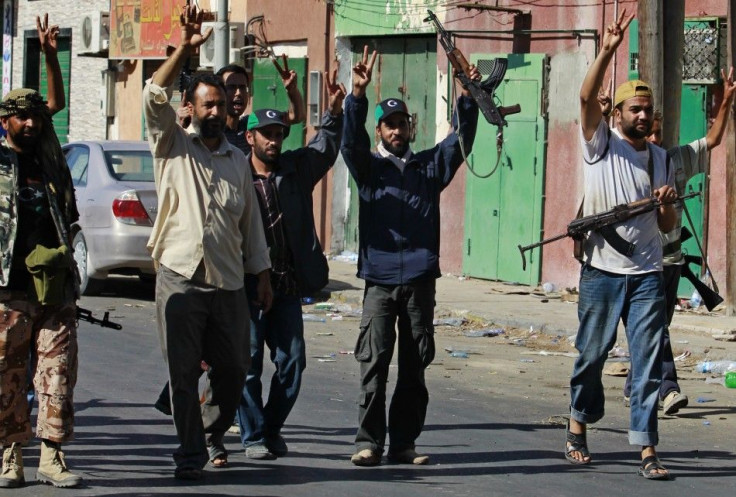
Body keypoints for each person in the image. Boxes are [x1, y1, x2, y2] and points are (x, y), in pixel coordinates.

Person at [143, 4, 272, 480]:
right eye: (208, 104)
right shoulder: (172, 144)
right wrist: (183, 48)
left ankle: (207, 430)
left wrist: (261, 273)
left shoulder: (238, 160)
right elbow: (152, 96)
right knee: (182, 374)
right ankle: (191, 452)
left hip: (229, 280)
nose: (218, 111)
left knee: (236, 369)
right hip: (179, 276)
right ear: (192, 108)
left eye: (222, 104)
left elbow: (250, 225)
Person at [341, 46, 480, 467]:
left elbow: (461, 141)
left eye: (402, 124)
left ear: (410, 128)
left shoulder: (427, 167)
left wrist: (468, 95)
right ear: (380, 130)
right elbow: (349, 142)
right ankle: (368, 441)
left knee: (414, 366)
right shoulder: (368, 170)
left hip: (420, 279)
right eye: (389, 125)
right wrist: (357, 98)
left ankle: (403, 443)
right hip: (380, 281)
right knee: (374, 363)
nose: (396, 131)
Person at [567, 10, 677, 480]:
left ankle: (646, 448)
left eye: (647, 109)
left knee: (647, 362)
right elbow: (585, 95)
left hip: (648, 272)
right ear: (617, 116)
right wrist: (609, 48)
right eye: (634, 109)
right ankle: (578, 426)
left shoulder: (660, 159)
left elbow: (668, 224)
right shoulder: (600, 145)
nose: (642, 115)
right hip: (601, 271)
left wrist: (666, 202)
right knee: (592, 355)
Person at [235, 67, 346, 460]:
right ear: (250, 137)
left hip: (287, 287)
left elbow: (327, 145)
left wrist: (336, 111)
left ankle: (268, 426)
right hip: (246, 287)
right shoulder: (235, 175)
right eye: (266, 134)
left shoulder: (295, 169)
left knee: (293, 362)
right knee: (246, 365)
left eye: (279, 134)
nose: (274, 140)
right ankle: (252, 436)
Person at [619, 67, 736, 415]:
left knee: (658, 326)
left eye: (657, 133)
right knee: (654, 325)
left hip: (672, 261)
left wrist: (727, 100)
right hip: (640, 262)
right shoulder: (624, 160)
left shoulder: (676, 158)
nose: (652, 139)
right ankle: (668, 388)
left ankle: (633, 385)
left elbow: (712, 141)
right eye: (647, 133)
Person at [0, 14, 84, 489]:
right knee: (8, 373)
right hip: (8, 286)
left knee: (57, 372)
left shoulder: (49, 154)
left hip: (54, 283)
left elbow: (56, 102)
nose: (31, 122)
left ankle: (51, 456)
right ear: (5, 120)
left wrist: (52, 56)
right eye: (21, 116)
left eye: (35, 116)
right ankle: (11, 454)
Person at [217, 57, 305, 154]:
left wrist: (292, 90)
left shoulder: (254, 123)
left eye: (242, 87)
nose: (238, 93)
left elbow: (296, 117)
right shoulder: (211, 131)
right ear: (219, 91)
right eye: (231, 87)